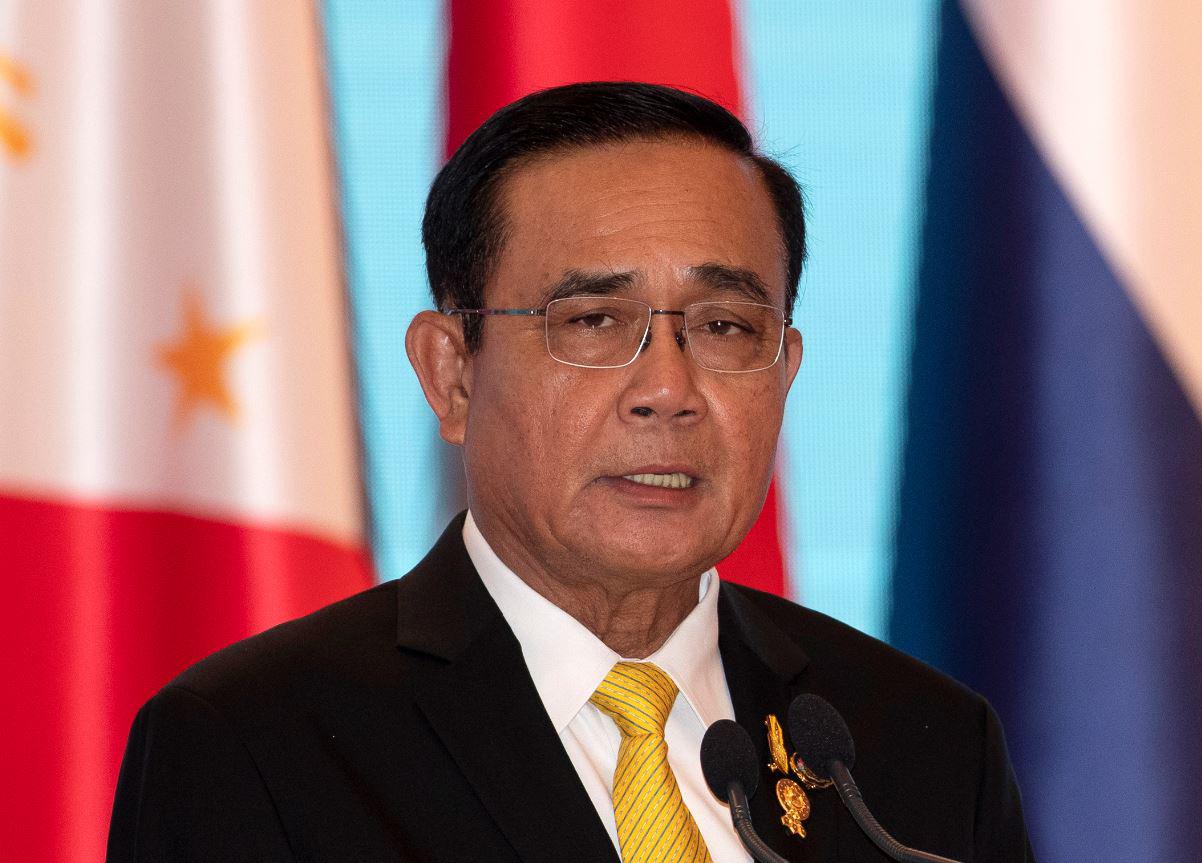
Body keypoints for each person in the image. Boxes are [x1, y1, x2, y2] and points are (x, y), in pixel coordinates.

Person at [108, 82, 1034, 862]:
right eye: (593, 321)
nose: (668, 390)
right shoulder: (258, 745)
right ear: (452, 373)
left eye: (723, 328)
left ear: (784, 372)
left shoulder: (921, 746)